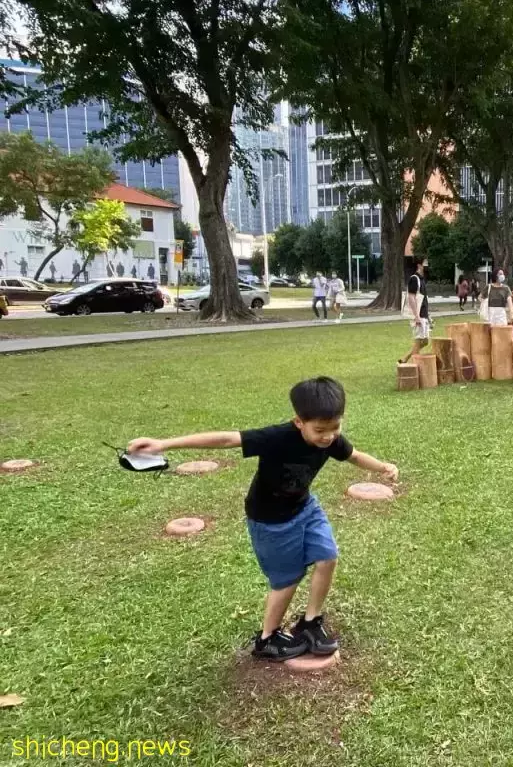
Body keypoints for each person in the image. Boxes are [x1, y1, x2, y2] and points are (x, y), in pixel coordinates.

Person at [126, 377, 398, 660]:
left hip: (305, 508)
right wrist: (164, 444)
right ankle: (267, 639)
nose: (328, 437)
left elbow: (353, 456)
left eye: (335, 427)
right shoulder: (277, 437)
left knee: (327, 557)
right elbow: (226, 439)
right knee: (287, 580)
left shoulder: (330, 439)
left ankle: (310, 622)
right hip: (271, 520)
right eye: (319, 430)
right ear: (298, 422)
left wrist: (382, 467)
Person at [400, 256, 430, 364]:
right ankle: (414, 365)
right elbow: (411, 297)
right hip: (419, 315)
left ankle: (406, 357)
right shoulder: (414, 279)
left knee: (425, 341)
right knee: (419, 341)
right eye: (425, 263)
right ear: (419, 265)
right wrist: (416, 316)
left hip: (424, 314)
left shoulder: (422, 279)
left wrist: (428, 316)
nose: (427, 265)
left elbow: (424, 299)